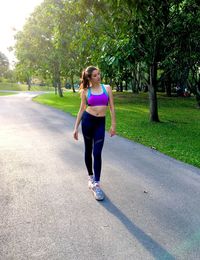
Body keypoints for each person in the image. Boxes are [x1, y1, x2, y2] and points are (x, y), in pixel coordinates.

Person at [73, 66, 116, 201]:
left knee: (97, 153)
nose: (99, 77)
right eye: (95, 75)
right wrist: (75, 128)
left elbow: (112, 107)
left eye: (99, 74)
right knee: (88, 150)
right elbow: (81, 110)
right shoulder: (86, 91)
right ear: (90, 78)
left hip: (100, 123)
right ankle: (90, 177)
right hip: (88, 122)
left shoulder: (107, 88)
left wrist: (113, 125)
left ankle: (96, 184)